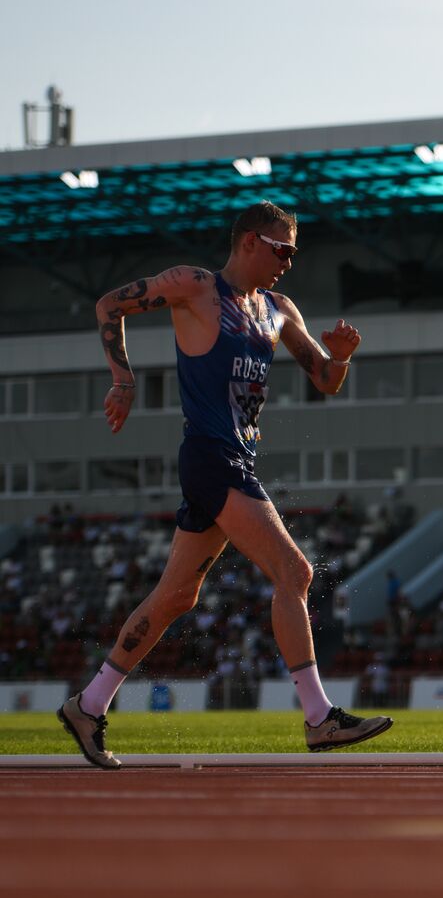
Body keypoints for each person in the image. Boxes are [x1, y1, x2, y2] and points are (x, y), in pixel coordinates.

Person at [57, 201, 392, 769]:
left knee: (177, 598)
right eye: (282, 249)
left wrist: (342, 359)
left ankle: (88, 705)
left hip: (236, 457)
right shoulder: (194, 286)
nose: (289, 261)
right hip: (211, 457)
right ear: (249, 242)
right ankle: (319, 718)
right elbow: (108, 305)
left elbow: (326, 380)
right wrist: (124, 379)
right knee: (295, 572)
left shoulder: (279, 309)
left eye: (293, 251)